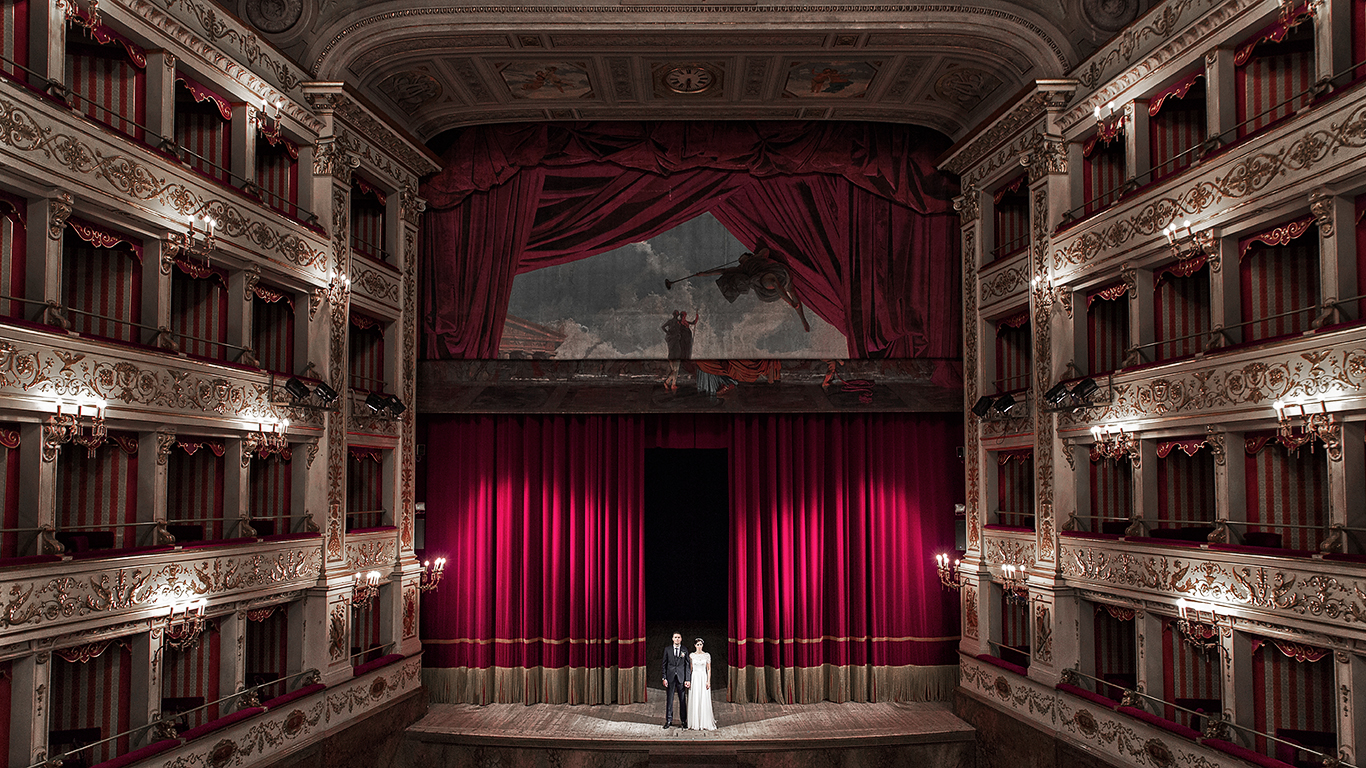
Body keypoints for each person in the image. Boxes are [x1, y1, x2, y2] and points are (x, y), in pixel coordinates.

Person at [686, 637, 717, 730]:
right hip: (695, 677)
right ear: (695, 645)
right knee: (695, 698)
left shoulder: (707, 655)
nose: (699, 646)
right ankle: (694, 721)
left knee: (703, 698)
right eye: (698, 644)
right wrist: (688, 680)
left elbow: (708, 669)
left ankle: (704, 722)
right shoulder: (691, 655)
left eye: (701, 644)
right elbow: (690, 669)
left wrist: (708, 681)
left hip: (703, 677)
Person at [661, 631, 690, 728]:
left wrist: (687, 679)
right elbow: (664, 664)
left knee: (682, 700)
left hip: (681, 678)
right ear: (672, 639)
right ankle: (668, 720)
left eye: (679, 637)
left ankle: (683, 721)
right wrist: (664, 677)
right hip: (670, 677)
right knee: (670, 699)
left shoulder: (684, 649)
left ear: (681, 639)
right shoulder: (667, 649)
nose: (677, 639)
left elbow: (687, 665)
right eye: (675, 637)